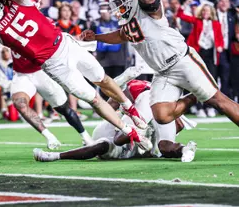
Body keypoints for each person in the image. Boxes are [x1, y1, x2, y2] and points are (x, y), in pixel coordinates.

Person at [0, 0, 152, 150]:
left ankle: (130, 109)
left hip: (65, 44)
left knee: (102, 78)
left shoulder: (20, 1)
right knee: (93, 99)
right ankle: (130, 132)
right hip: (52, 64)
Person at [81, 0, 239, 127]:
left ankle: (203, 95)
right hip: (163, 72)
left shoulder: (149, 6)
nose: (118, 7)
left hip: (182, 61)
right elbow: (122, 35)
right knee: (162, 116)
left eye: (119, 1)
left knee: (219, 101)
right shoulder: (129, 20)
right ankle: (195, 96)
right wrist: (97, 37)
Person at [0, 0, 96, 148]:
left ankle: (85, 136)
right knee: (20, 103)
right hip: (22, 73)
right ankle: (49, 137)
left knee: (64, 109)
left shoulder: (44, 20)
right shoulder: (6, 21)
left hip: (43, 70)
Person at [34, 68, 197, 163]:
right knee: (109, 144)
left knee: (164, 147)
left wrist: (156, 133)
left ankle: (184, 149)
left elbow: (179, 126)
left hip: (138, 136)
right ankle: (55, 156)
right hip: (114, 132)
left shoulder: (162, 97)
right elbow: (114, 125)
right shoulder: (142, 91)